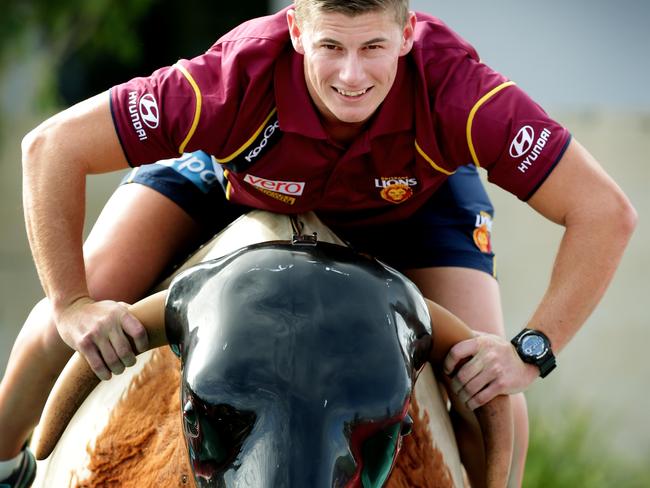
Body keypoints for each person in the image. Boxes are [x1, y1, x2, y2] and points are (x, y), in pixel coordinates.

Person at [0, 0, 636, 486]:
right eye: (331, 44)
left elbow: (605, 212)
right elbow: (51, 146)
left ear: (409, 33)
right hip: (237, 178)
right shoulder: (230, 80)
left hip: (413, 203)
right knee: (53, 333)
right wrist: (70, 302)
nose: (351, 74)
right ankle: (5, 461)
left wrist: (531, 350)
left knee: (495, 404)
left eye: (374, 47)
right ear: (295, 31)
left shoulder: (462, 94)